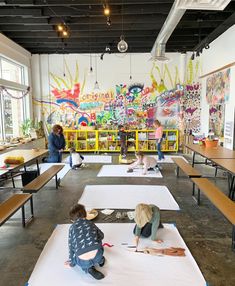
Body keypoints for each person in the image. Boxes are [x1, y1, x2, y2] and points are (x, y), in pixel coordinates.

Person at [64, 204, 105, 280]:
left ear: (72, 220)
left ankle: (89, 269)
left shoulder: (71, 228)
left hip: (83, 260)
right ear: (86, 215)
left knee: (79, 257)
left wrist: (71, 263)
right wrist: (95, 239)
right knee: (98, 244)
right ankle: (100, 260)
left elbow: (71, 248)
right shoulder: (90, 223)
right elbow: (101, 235)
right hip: (97, 255)